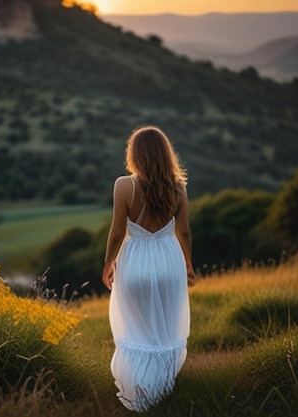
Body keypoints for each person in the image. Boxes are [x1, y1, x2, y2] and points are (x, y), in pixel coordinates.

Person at [102, 126, 196, 412]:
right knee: (164, 330)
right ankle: (162, 391)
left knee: (137, 330)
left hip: (135, 263)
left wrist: (108, 263)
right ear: (165, 154)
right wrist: (189, 267)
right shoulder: (178, 187)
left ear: (134, 155)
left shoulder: (123, 186)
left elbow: (117, 232)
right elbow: (185, 233)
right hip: (170, 262)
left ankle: (140, 394)